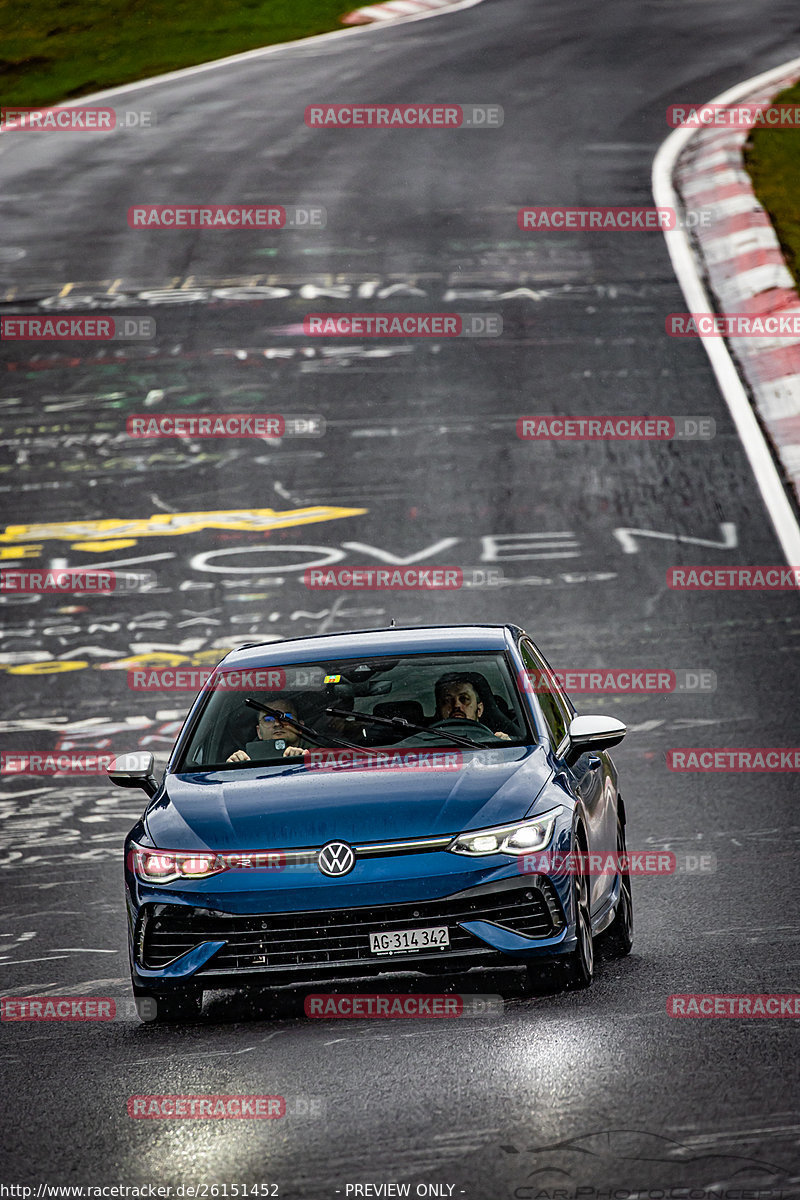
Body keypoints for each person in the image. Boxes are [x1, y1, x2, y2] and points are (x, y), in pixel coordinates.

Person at [432, 672, 511, 739]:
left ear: (479, 709)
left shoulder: (494, 740)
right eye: (447, 701)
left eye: (464, 699)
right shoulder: (424, 745)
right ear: (439, 710)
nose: (456, 705)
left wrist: (505, 746)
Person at [227, 700, 311, 762]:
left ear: (300, 727)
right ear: (259, 732)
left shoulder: (320, 755)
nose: (277, 724)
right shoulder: (246, 758)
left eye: (285, 717)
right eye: (268, 719)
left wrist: (307, 760)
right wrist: (233, 768)